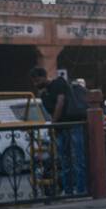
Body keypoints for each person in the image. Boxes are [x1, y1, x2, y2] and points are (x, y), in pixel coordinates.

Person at [30, 66, 87, 195]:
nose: (36, 84)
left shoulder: (59, 83)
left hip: (73, 125)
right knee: (65, 161)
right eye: (34, 82)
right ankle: (68, 191)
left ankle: (81, 190)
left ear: (44, 77)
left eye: (37, 80)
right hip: (62, 129)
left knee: (79, 159)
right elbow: (52, 109)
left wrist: (53, 123)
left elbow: (60, 103)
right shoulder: (44, 95)